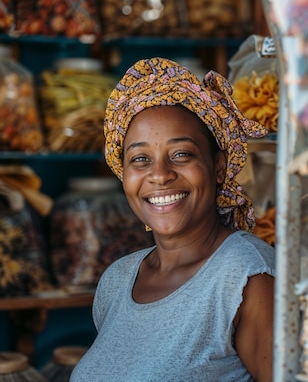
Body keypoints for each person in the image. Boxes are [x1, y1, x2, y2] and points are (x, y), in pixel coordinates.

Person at [70, 57, 275, 382]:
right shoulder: (117, 281)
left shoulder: (246, 277)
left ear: (218, 166)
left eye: (181, 154)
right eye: (140, 159)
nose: (160, 175)